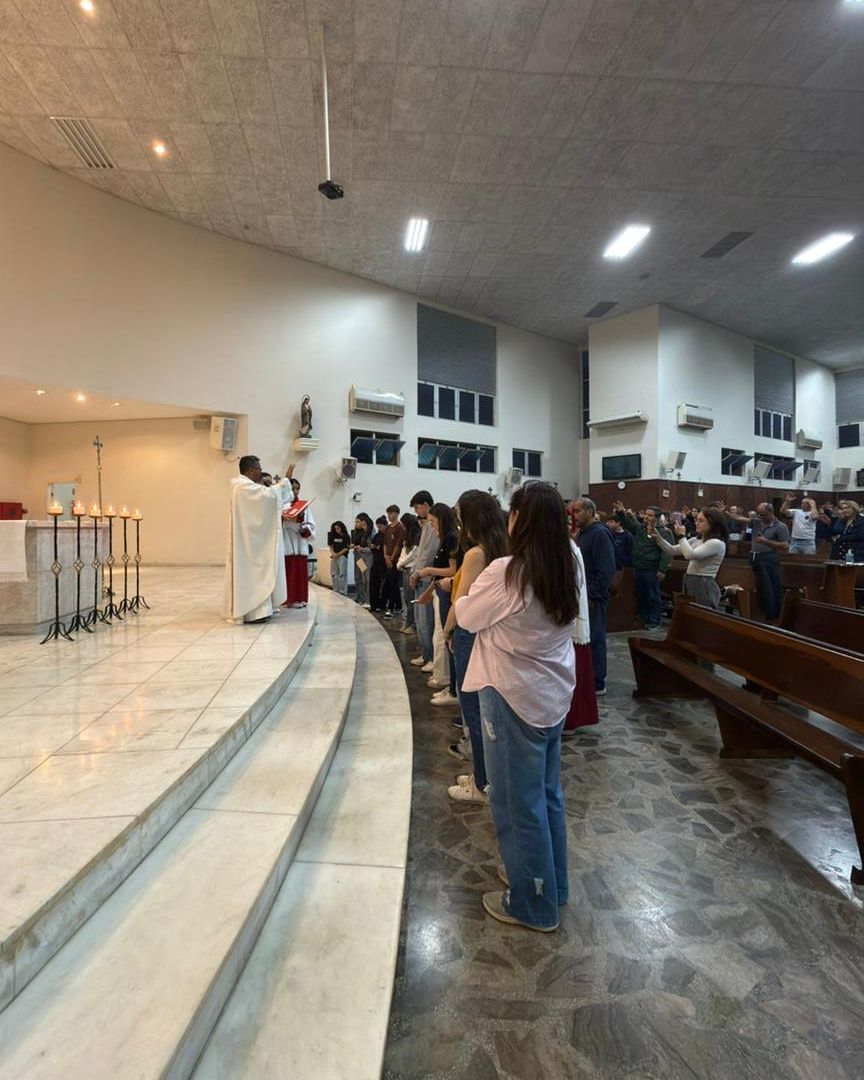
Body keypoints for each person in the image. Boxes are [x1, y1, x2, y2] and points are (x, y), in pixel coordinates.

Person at [456, 482, 578, 933]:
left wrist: (468, 598)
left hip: (509, 694)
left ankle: (531, 902)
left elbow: (467, 615)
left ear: (520, 520)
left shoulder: (508, 571)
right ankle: (552, 884)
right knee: (546, 795)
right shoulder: (569, 563)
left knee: (514, 801)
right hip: (551, 692)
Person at [444, 490, 509, 804]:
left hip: (469, 631)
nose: (459, 525)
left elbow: (460, 602)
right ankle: (484, 775)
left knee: (473, 710)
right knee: (485, 711)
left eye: (461, 519)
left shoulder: (475, 554)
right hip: (491, 632)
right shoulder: (503, 548)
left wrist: (446, 630)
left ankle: (482, 784)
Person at [225, 457, 294, 623]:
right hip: (248, 544)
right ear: (249, 469)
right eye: (258, 468)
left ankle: (260, 611)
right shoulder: (243, 487)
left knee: (258, 572)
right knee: (253, 574)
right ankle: (252, 611)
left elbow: (269, 498)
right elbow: (269, 496)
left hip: (251, 541)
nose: (260, 472)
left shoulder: (246, 487)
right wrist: (286, 481)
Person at [416, 503, 459, 705]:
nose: (431, 527)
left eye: (433, 522)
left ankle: (453, 688)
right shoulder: (444, 538)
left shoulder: (451, 537)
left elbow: (453, 570)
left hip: (448, 593)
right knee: (442, 636)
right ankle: (450, 687)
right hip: (440, 591)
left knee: (447, 637)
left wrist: (429, 570)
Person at [573, 498, 616, 696]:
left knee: (596, 637)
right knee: (586, 638)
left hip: (593, 598)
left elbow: (605, 569)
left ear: (590, 512)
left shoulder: (599, 533)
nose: (574, 515)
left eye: (578, 511)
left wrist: (592, 596)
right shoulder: (583, 533)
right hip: (584, 595)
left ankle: (598, 681)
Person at [612, 501, 672, 630]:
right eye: (646, 514)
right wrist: (621, 512)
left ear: (656, 518)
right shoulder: (640, 529)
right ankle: (643, 618)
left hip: (652, 568)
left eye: (650, 515)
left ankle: (654, 620)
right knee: (640, 594)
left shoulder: (663, 532)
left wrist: (662, 569)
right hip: (639, 567)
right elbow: (628, 523)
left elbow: (667, 552)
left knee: (652, 595)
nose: (646, 517)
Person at [652, 507, 728, 609]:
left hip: (703, 582)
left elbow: (690, 555)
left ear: (713, 524)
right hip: (690, 579)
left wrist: (681, 536)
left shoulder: (716, 543)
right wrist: (658, 537)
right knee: (689, 612)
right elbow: (672, 550)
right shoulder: (696, 540)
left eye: (701, 521)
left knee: (702, 614)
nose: (696, 523)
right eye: (696, 520)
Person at [408, 490, 437, 672]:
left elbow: (428, 553)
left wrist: (417, 573)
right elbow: (419, 553)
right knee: (420, 621)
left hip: (426, 578)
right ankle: (426, 654)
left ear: (426, 504)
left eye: (417, 507)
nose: (416, 511)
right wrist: (413, 572)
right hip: (419, 576)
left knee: (427, 621)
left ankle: (432, 657)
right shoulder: (426, 524)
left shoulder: (433, 524)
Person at [751, 502, 789, 622]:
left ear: (771, 512)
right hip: (755, 558)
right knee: (760, 588)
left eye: (763, 515)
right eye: (758, 515)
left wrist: (765, 541)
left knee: (770, 589)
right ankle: (760, 612)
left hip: (769, 560)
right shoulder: (758, 523)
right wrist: (728, 514)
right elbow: (742, 519)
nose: (760, 517)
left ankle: (771, 615)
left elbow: (784, 545)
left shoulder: (780, 526)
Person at [282, 475, 315, 608]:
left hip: (300, 542)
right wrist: (288, 521)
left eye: (297, 489)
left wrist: (303, 528)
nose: (295, 491)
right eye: (293, 488)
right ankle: (288, 599)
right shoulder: (283, 505)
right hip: (287, 542)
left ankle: (300, 598)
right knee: (289, 573)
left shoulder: (304, 506)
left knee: (300, 573)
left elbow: (312, 524)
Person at [397, 513, 421, 634]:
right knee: (406, 598)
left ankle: (413, 625)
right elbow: (403, 550)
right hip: (404, 568)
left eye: (403, 524)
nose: (402, 526)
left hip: (411, 568)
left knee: (411, 598)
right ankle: (408, 622)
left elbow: (414, 554)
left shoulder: (417, 535)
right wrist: (400, 563)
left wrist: (401, 563)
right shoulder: (407, 535)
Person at [381, 504, 406, 617]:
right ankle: (398, 605)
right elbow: (385, 543)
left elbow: (398, 545)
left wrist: (392, 558)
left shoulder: (400, 527)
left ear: (396, 513)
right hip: (388, 559)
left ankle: (392, 607)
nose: (389, 516)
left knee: (392, 583)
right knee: (391, 583)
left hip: (395, 560)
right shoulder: (388, 528)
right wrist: (386, 556)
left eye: (390, 513)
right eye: (388, 514)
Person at [350, 513, 374, 606]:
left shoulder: (368, 533)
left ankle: (365, 599)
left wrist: (361, 548)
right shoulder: (355, 532)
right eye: (355, 522)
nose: (356, 524)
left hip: (365, 557)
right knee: (358, 577)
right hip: (358, 555)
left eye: (358, 522)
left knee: (365, 578)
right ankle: (359, 597)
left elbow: (370, 547)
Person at [368, 515, 387, 612]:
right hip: (376, 561)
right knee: (373, 583)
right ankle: (373, 604)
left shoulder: (387, 535)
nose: (379, 528)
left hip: (384, 563)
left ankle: (381, 605)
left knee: (382, 585)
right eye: (378, 526)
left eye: (381, 526)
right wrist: (373, 546)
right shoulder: (377, 535)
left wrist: (378, 547)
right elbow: (373, 545)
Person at [328, 521, 350, 595]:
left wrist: (338, 554)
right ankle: (335, 590)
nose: (337, 530)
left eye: (338, 528)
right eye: (335, 529)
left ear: (342, 528)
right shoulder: (332, 535)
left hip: (342, 556)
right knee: (334, 574)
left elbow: (346, 548)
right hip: (334, 556)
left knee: (342, 574)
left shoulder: (346, 536)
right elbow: (331, 546)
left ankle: (343, 591)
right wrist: (333, 553)